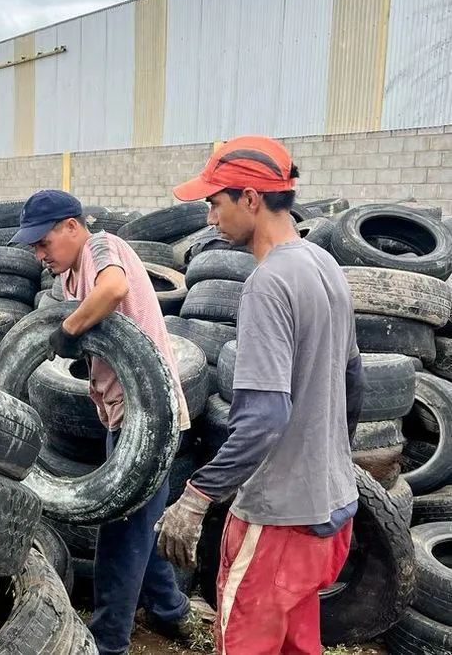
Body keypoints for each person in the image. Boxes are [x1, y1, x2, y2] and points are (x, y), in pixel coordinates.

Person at [156, 135, 365, 654]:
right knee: (298, 645)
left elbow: (263, 417)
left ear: (250, 198)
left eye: (214, 202)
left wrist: (198, 496)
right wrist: (329, 458)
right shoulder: (324, 265)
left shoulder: (268, 283)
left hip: (276, 522)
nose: (209, 218)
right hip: (330, 510)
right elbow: (353, 381)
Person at [10, 189, 194, 655]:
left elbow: (114, 290)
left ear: (72, 226)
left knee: (119, 532)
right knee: (139, 525)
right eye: (32, 246)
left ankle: (109, 641)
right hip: (122, 416)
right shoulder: (71, 278)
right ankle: (173, 613)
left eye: (43, 242)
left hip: (149, 419)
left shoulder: (101, 248)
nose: (39, 254)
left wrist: (69, 329)